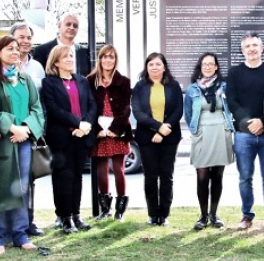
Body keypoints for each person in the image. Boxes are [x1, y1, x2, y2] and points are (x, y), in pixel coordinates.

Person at [0, 36, 44, 254]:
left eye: (17, 48)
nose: (16, 51)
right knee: (0, 186)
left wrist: (26, 128)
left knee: (22, 187)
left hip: (24, 140)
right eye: (10, 48)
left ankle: (20, 233)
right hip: (2, 141)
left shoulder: (25, 79)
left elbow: (36, 108)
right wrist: (11, 127)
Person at [41, 45, 96, 234]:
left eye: (71, 56)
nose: (70, 59)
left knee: (77, 176)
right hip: (61, 137)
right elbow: (54, 109)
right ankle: (64, 218)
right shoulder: (49, 83)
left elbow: (91, 105)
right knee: (62, 177)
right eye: (65, 57)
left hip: (81, 137)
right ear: (56, 62)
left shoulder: (81, 80)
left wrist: (85, 125)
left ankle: (76, 215)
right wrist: (78, 123)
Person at [226, 32, 264, 231]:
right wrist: (249, 122)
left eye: (255, 45)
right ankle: (247, 216)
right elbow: (232, 102)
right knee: (245, 177)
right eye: (247, 46)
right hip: (243, 135)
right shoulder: (235, 73)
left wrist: (263, 121)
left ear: (261, 48)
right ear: (243, 50)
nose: (252, 49)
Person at [131, 53, 183, 226]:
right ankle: (153, 214)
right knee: (151, 176)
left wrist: (163, 130)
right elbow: (138, 112)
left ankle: (164, 214)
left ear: (164, 67)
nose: (154, 67)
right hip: (147, 138)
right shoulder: (140, 87)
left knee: (167, 176)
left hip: (169, 137)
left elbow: (178, 110)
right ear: (147, 67)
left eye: (158, 64)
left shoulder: (173, 86)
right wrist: (157, 127)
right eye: (151, 64)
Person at [184, 53, 235, 230]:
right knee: (202, 175)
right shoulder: (192, 89)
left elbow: (230, 108)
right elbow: (188, 113)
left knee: (218, 176)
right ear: (200, 67)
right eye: (204, 64)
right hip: (202, 132)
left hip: (221, 131)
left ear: (216, 67)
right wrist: (194, 131)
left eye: (211, 64)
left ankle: (214, 214)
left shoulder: (224, 87)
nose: (207, 67)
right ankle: (203, 215)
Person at [88, 45, 132, 221]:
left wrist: (115, 129)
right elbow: (88, 107)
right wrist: (97, 129)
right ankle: (104, 210)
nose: (108, 60)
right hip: (98, 129)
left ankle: (119, 211)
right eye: (104, 56)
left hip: (117, 128)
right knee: (101, 169)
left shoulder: (123, 81)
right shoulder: (90, 80)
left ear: (116, 60)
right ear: (100, 59)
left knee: (118, 168)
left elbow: (126, 108)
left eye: (111, 57)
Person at [11, 22, 45, 236]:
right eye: (20, 37)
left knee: (28, 181)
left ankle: (27, 223)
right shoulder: (0, 68)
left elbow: (40, 103)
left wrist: (33, 128)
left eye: (28, 37)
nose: (25, 41)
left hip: (31, 131)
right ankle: (8, 226)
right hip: (7, 132)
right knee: (7, 181)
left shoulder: (38, 68)